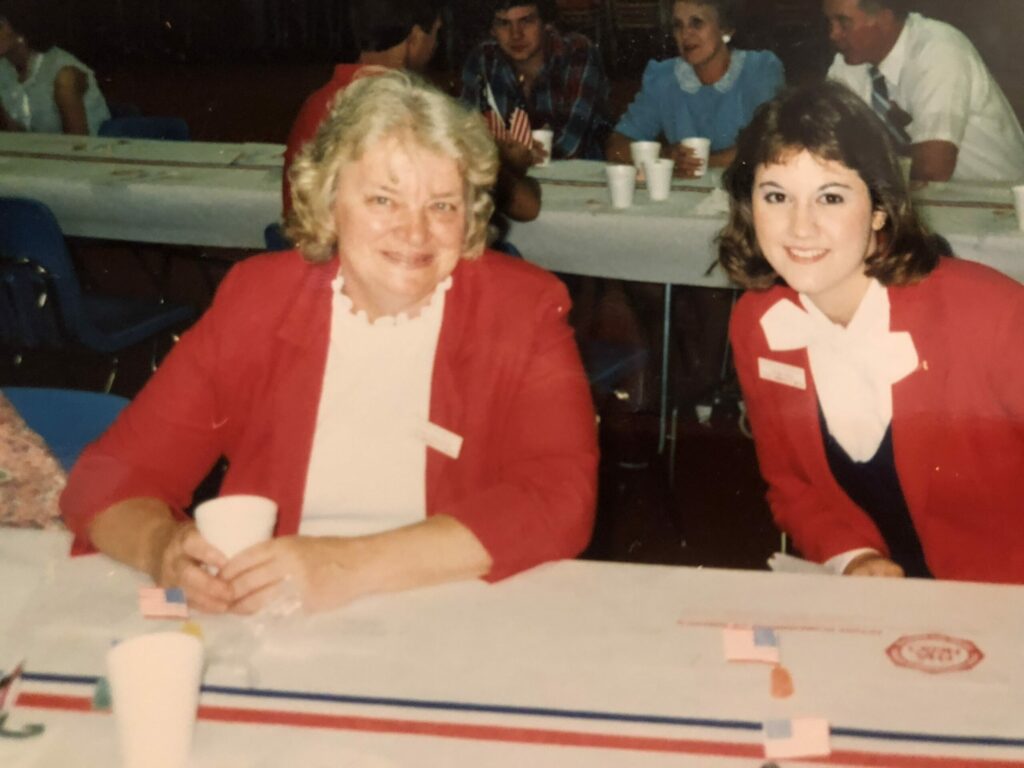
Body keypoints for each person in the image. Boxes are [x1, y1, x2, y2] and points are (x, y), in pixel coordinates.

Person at [61, 69, 598, 614]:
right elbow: (109, 477)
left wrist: (343, 564)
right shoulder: (261, 300)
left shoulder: (519, 310)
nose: (415, 234)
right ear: (329, 200)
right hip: (281, 618)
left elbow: (559, 497)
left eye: (441, 205)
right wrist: (163, 550)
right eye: (384, 200)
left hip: (447, 612)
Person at [719, 80, 1024, 583]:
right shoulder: (759, 323)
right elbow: (793, 486)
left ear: (880, 207)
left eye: (831, 197)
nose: (800, 227)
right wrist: (852, 556)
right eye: (776, 196)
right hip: (882, 610)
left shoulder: (993, 316)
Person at [823, 0, 1024, 183]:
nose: (833, 34)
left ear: (884, 19)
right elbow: (827, 146)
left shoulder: (939, 50)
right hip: (937, 203)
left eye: (844, 23)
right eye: (830, 22)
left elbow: (932, 170)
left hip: (1000, 204)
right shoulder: (849, 63)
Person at [280, 0, 444, 215]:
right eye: (435, 34)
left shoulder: (317, 102)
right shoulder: (409, 110)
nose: (435, 45)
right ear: (415, 38)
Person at [606, 0, 783, 178]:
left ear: (725, 28)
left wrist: (700, 163)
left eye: (696, 23)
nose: (685, 34)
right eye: (678, 25)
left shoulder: (759, 70)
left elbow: (769, 145)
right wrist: (665, 157)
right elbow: (617, 145)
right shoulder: (663, 78)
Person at [460, 0, 611, 162]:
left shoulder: (577, 53)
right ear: (492, 30)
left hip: (576, 178)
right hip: (509, 179)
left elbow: (570, 145)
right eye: (504, 24)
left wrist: (504, 151)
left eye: (526, 21)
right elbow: (465, 133)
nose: (516, 35)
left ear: (546, 24)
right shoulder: (483, 59)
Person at [0, 3, 110, 134]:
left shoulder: (64, 75)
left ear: (19, 26)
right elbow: (12, 137)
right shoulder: (4, 70)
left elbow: (77, 145)